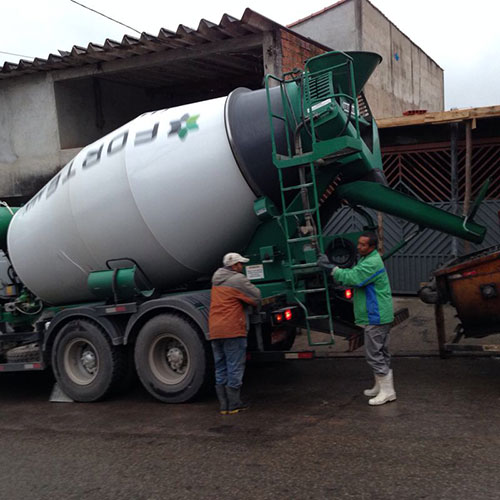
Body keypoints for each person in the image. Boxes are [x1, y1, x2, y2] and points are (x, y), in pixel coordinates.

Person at [317, 231, 396, 406]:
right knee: (381, 352)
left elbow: (353, 277)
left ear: (372, 247)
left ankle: (388, 391)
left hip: (376, 315)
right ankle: (381, 386)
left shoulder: (372, 263)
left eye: (363, 245)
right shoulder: (368, 259)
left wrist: (331, 268)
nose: (358, 247)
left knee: (374, 354)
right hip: (378, 313)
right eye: (358, 243)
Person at [208, 252, 262, 414]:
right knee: (234, 366)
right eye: (240, 264)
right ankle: (234, 404)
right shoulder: (237, 279)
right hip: (232, 329)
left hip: (215, 329)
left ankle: (224, 406)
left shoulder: (216, 279)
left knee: (220, 366)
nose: (242, 267)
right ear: (234, 266)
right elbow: (256, 296)